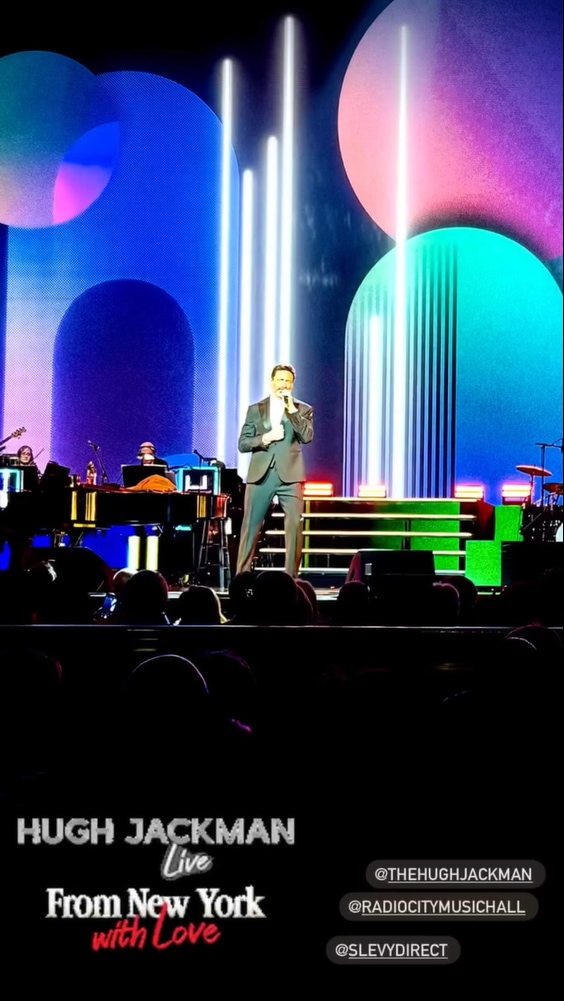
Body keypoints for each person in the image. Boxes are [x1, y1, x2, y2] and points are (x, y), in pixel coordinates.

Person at [236, 364, 313, 577]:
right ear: (272, 382)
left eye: (288, 381)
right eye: (280, 380)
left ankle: (291, 579)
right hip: (261, 475)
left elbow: (307, 437)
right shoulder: (256, 409)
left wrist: (292, 411)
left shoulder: (303, 409)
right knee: (250, 526)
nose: (283, 385)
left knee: (294, 526)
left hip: (291, 475)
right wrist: (266, 438)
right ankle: (241, 578)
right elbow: (243, 443)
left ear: (292, 384)